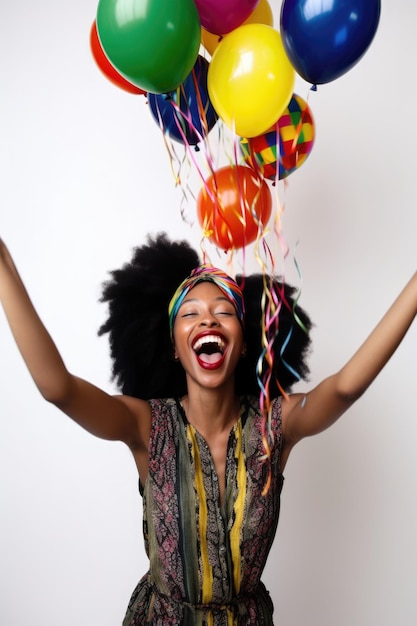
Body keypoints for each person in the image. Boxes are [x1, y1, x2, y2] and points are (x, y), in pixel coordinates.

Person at [0, 231, 416, 626]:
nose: (208, 322)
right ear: (174, 348)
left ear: (246, 341)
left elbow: (344, 389)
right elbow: (57, 388)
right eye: (191, 314)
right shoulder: (146, 425)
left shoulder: (276, 423)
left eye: (223, 313)